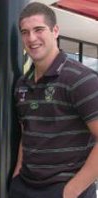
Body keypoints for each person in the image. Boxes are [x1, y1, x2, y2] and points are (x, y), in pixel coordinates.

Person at [10, 2, 98, 198]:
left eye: (38, 29)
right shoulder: (22, 84)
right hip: (24, 187)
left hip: (64, 190)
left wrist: (71, 191)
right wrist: (17, 173)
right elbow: (27, 132)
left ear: (55, 31)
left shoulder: (81, 79)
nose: (31, 38)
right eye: (25, 32)